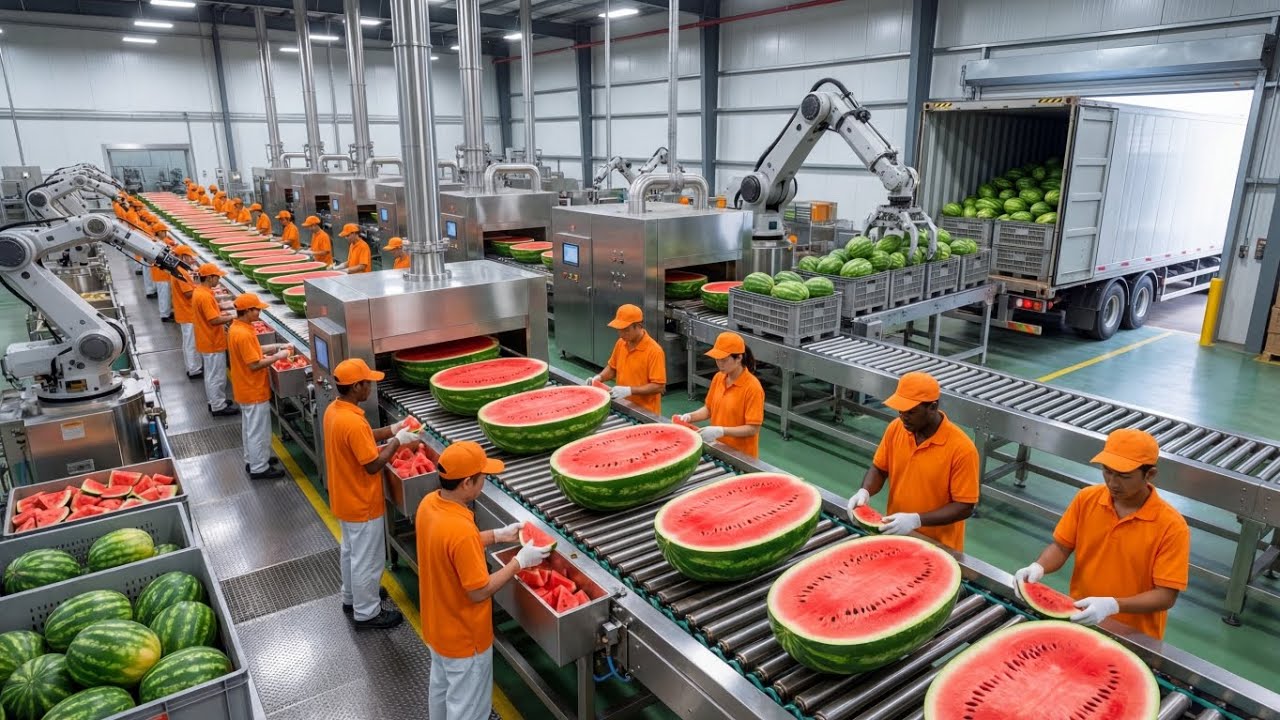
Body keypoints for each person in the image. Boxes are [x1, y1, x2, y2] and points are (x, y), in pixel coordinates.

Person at [416, 441, 552, 720]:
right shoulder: (460, 529)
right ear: (466, 483)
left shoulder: (429, 504)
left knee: (442, 691)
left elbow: (449, 547)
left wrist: (496, 536)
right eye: (482, 477)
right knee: (468, 709)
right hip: (466, 637)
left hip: (437, 625)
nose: (485, 482)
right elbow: (478, 591)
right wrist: (519, 562)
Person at [1013, 429, 1189, 640]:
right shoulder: (1087, 499)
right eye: (1107, 471)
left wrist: (1113, 605)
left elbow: (1166, 596)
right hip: (1081, 615)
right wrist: (1039, 567)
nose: (1113, 483)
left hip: (1135, 635)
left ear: (1149, 474)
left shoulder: (1171, 526)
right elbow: (1062, 547)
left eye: (1124, 476)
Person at [323, 358, 421, 629]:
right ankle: (367, 613)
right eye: (368, 383)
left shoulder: (335, 411)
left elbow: (363, 438)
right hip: (362, 502)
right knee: (368, 559)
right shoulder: (352, 422)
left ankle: (352, 596)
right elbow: (372, 465)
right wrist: (397, 443)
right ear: (356, 386)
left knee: (351, 552)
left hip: (343, 498)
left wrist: (393, 430)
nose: (371, 387)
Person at [846, 372, 979, 552]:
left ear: (932, 407)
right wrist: (865, 491)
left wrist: (916, 520)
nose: (903, 417)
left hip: (939, 546)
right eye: (900, 410)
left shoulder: (962, 449)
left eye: (911, 412)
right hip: (897, 532)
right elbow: (879, 468)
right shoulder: (896, 429)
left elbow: (965, 507)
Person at [228, 293, 292, 480]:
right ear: (247, 311)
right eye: (257, 310)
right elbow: (254, 363)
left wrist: (277, 346)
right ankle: (259, 468)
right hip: (253, 389)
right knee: (258, 430)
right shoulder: (243, 333)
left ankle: (254, 459)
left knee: (250, 428)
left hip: (244, 387)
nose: (260, 313)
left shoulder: (238, 327)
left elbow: (253, 350)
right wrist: (279, 357)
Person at [675, 331, 764, 458]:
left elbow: (753, 428)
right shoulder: (718, 378)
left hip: (741, 456)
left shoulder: (752, 387)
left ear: (739, 358)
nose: (719, 364)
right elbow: (708, 409)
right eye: (717, 359)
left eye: (724, 360)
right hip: (718, 448)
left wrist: (721, 431)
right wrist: (690, 417)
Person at [588, 304, 665, 416]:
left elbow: (659, 386)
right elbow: (612, 368)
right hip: (622, 405)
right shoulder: (621, 343)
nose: (621, 334)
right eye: (619, 330)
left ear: (638, 326)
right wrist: (599, 378)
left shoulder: (654, 351)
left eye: (626, 330)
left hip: (645, 412)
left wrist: (629, 390)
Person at [191, 263, 239, 417]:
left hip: (207, 339)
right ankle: (218, 406)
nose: (219, 279)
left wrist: (224, 309)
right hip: (211, 341)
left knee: (212, 375)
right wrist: (233, 317)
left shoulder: (201, 291)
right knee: (216, 375)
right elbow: (213, 320)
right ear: (210, 278)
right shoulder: (204, 296)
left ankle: (216, 401)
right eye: (217, 276)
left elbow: (211, 313)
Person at [169, 246, 203, 379]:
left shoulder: (181, 270)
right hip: (187, 312)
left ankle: (193, 366)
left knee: (188, 341)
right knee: (191, 342)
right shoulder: (180, 272)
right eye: (189, 256)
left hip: (186, 311)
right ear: (182, 257)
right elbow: (188, 293)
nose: (191, 259)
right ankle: (194, 369)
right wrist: (203, 290)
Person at [149, 223, 175, 322]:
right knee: (164, 294)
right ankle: (164, 315)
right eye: (164, 231)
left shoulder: (157, 241)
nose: (165, 233)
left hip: (161, 273)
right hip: (161, 273)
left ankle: (166, 312)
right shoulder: (157, 243)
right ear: (159, 232)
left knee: (165, 294)